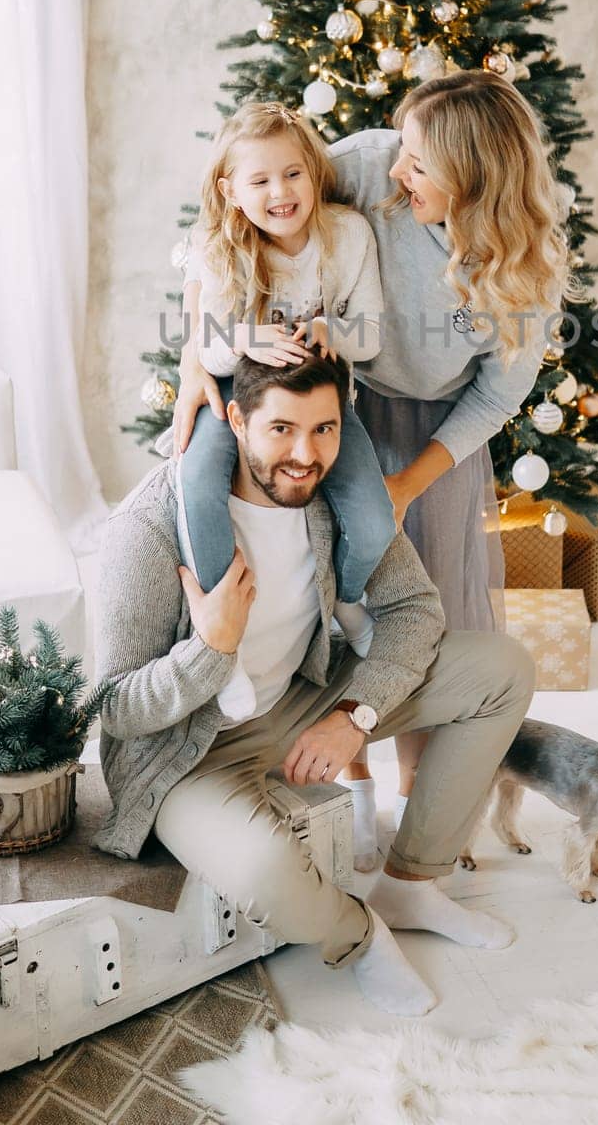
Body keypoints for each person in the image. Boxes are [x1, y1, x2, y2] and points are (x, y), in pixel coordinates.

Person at [174, 72, 571, 860]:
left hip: (437, 435)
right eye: (402, 152)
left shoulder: (528, 272)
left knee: (429, 612)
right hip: (335, 408)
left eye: (419, 165)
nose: (397, 171)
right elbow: (233, 214)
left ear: (473, 177)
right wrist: (196, 353)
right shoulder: (367, 162)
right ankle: (348, 792)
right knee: (332, 597)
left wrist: (403, 484)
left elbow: (492, 403)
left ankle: (417, 802)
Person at [93, 349, 535, 1018]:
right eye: (281, 430)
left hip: (302, 695)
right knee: (266, 874)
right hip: (189, 751)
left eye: (323, 429)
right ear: (237, 420)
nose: (304, 454)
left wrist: (354, 715)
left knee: (502, 670)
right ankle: (359, 935)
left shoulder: (335, 497)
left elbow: (415, 610)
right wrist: (209, 647)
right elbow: (115, 707)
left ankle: (410, 882)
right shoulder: (148, 527)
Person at [170, 100, 397, 727]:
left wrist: (331, 329)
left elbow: (371, 336)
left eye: (293, 173)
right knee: (195, 486)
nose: (280, 192)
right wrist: (243, 337)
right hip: (235, 399)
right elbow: (204, 344)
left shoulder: (346, 235)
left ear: (314, 173)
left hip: (318, 405)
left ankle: (346, 600)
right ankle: (228, 647)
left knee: (373, 519)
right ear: (231, 191)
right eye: (261, 180)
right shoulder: (221, 248)